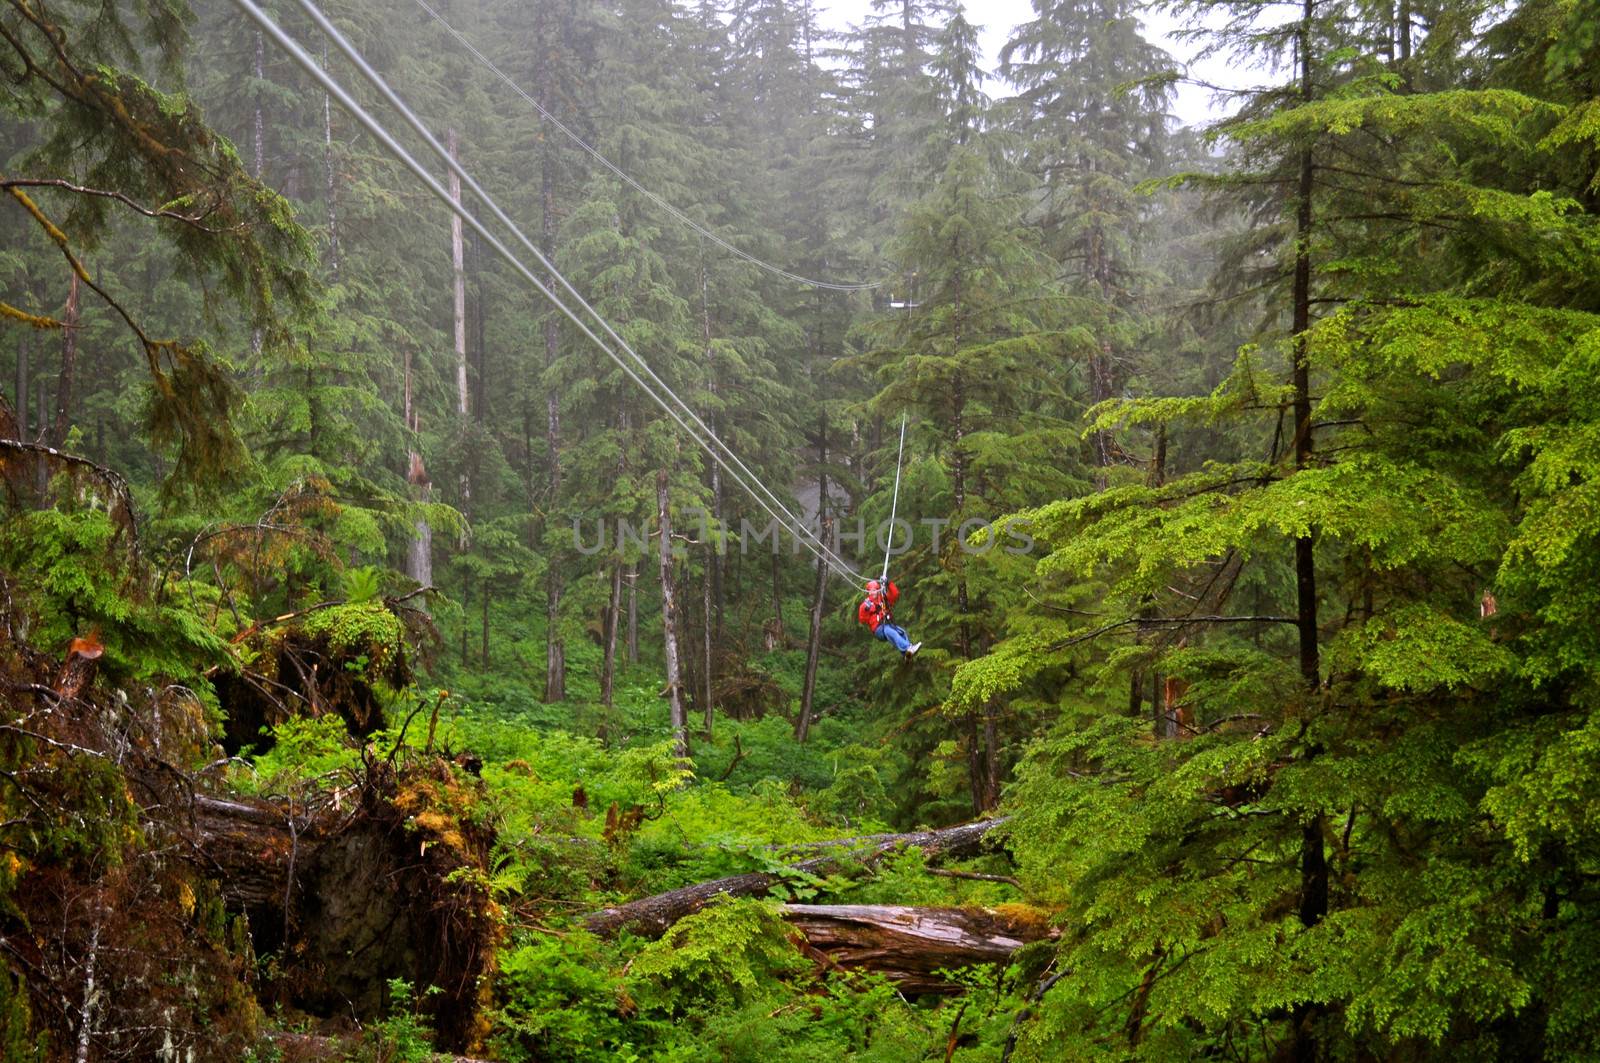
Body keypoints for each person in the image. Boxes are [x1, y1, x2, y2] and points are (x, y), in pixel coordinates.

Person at [858, 579, 921, 660]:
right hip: (878, 629)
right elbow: (862, 620)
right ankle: (907, 648)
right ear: (868, 592)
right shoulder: (866, 604)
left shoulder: (883, 599)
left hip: (888, 624)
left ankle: (907, 654)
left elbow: (895, 594)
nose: (872, 592)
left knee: (901, 632)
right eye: (870, 591)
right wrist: (865, 610)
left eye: (874, 590)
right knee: (889, 631)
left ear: (878, 590)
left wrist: (889, 583)